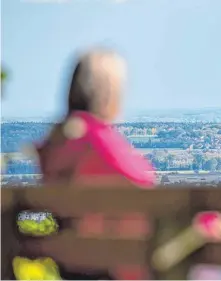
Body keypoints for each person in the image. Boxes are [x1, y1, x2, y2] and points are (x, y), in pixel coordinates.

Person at [33, 48, 156, 280]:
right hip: (119, 268)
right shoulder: (96, 139)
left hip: (74, 269)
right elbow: (144, 180)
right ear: (110, 94)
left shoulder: (54, 144)